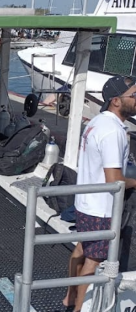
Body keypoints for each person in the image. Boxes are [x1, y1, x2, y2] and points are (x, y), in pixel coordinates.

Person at [63, 75, 136, 311]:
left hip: (84, 202)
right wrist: (134, 181)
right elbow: (114, 180)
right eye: (134, 95)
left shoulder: (95, 122)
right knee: (93, 261)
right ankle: (77, 309)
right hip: (101, 208)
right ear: (116, 100)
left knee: (81, 249)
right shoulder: (114, 132)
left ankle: (69, 297)